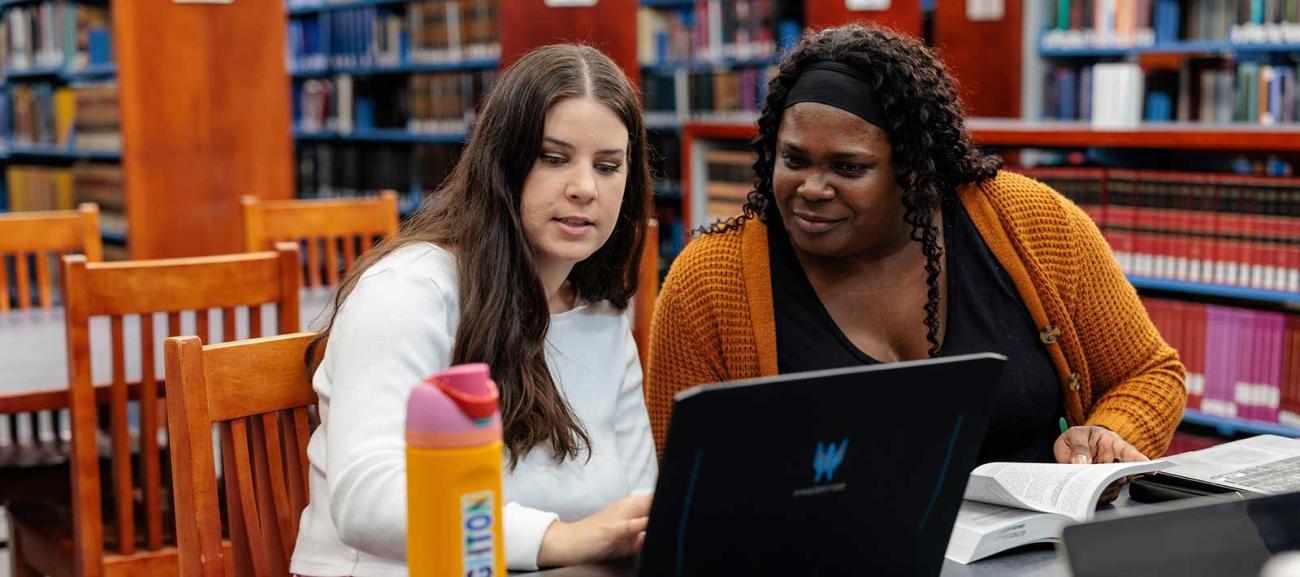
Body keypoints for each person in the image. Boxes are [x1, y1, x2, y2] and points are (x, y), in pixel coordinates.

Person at [647, 24, 1186, 468]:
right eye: (793, 160)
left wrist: (1105, 436)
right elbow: (686, 483)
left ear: (915, 171)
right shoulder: (712, 280)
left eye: (848, 167)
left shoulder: (1030, 224)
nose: (811, 189)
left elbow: (1149, 372)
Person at [290, 44, 657, 575]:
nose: (584, 188)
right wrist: (557, 540)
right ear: (503, 161)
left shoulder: (602, 314)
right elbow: (367, 498)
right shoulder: (409, 290)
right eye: (554, 158)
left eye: (607, 166)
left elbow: (636, 502)